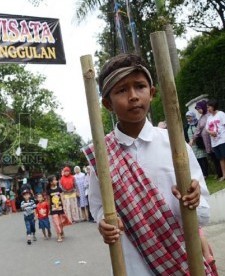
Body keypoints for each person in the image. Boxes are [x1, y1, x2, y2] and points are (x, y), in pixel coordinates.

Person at [85, 53, 213, 275]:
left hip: (182, 261)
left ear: (152, 93)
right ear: (107, 103)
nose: (133, 96)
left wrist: (194, 199)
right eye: (122, 90)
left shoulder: (174, 145)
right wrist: (103, 222)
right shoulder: (102, 156)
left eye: (140, 86)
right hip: (133, 265)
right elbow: (97, 206)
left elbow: (202, 214)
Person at [194, 100, 222, 179]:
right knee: (213, 158)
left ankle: (221, 173)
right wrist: (193, 139)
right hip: (207, 142)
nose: (199, 110)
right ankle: (218, 173)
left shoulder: (210, 115)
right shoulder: (201, 118)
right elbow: (198, 130)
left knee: (219, 157)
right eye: (197, 109)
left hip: (214, 139)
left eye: (199, 108)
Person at [185, 111, 209, 178]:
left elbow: (200, 133)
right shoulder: (187, 126)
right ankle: (201, 174)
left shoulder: (198, 123)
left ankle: (205, 173)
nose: (188, 119)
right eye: (187, 117)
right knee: (197, 160)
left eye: (189, 117)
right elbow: (185, 135)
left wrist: (196, 140)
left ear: (193, 116)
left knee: (202, 159)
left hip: (199, 144)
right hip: (192, 145)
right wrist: (188, 142)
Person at [206, 99, 225, 181]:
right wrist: (210, 132)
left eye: (209, 107)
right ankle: (224, 175)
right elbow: (206, 129)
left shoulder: (221, 114)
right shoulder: (209, 118)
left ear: (213, 106)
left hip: (223, 140)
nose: (208, 109)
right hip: (214, 142)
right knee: (221, 159)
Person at [48, 175, 66, 242]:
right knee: (56, 223)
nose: (56, 181)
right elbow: (48, 201)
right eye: (55, 180)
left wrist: (64, 207)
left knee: (61, 222)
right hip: (53, 209)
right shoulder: (48, 190)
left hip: (60, 208)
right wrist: (49, 210)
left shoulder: (59, 189)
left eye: (56, 180)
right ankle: (58, 235)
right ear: (51, 182)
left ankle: (62, 231)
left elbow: (62, 197)